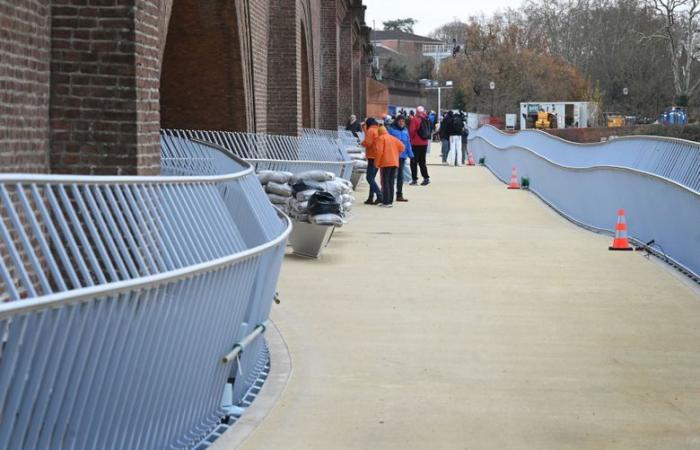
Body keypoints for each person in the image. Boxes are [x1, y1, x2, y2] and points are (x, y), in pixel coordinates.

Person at [374, 125, 405, 208]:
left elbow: (379, 151)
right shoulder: (393, 138)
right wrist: (396, 154)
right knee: (391, 182)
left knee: (385, 182)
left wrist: (376, 163)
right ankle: (390, 201)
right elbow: (402, 147)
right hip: (394, 162)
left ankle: (386, 202)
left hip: (385, 163)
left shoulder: (380, 138)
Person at [388, 115, 414, 202]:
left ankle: (399, 194)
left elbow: (408, 143)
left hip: (402, 156)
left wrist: (411, 154)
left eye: (403, 121)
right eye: (400, 121)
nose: (401, 122)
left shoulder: (406, 130)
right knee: (391, 176)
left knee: (400, 176)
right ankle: (388, 194)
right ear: (397, 121)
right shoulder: (391, 130)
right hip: (393, 155)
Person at [361, 118, 382, 204]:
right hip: (378, 156)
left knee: (369, 178)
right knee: (372, 178)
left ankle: (380, 195)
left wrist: (361, 143)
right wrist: (364, 128)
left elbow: (368, 142)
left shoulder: (370, 130)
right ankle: (370, 197)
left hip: (372, 156)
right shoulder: (377, 129)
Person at [408, 105, 431, 185]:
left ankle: (414, 179)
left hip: (416, 143)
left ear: (416, 111)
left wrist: (411, 138)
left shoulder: (414, 119)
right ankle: (426, 178)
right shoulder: (426, 118)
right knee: (422, 162)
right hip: (424, 143)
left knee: (413, 162)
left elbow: (411, 131)